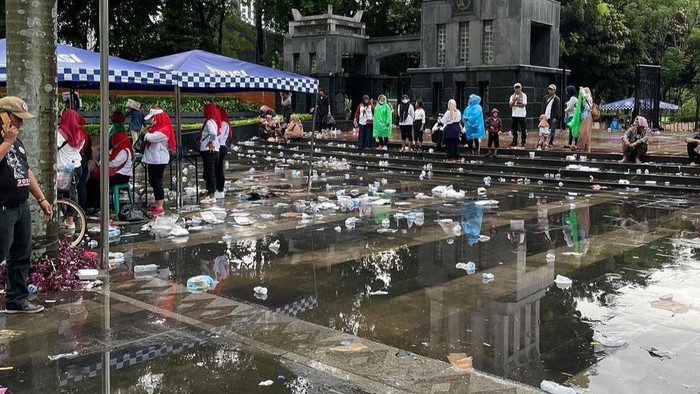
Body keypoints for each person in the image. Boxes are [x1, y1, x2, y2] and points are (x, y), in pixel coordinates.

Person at [0, 96, 52, 314]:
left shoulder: (16, 140)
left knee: (21, 254)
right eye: (16, 118)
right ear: (3, 115)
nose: (20, 123)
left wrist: (41, 198)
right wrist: (7, 142)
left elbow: (25, 170)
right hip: (3, 207)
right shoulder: (7, 138)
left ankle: (17, 299)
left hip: (21, 206)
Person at [86, 129, 133, 211]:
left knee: (102, 182)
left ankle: (99, 206)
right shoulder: (115, 149)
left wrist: (104, 163)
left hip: (121, 176)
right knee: (91, 181)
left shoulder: (124, 151)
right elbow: (105, 157)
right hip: (113, 173)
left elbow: (114, 163)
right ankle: (90, 205)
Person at [141, 106, 176, 217]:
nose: (151, 120)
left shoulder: (164, 130)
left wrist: (145, 134)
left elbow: (151, 138)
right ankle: (157, 204)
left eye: (153, 118)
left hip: (159, 160)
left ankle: (160, 207)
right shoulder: (156, 128)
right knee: (153, 180)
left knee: (157, 182)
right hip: (153, 159)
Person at [57, 109, 87, 229]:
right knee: (72, 193)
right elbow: (79, 149)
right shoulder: (80, 134)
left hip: (63, 170)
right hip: (77, 167)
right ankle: (70, 219)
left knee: (60, 193)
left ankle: (68, 220)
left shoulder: (60, 133)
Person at [200, 103, 220, 204]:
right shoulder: (213, 121)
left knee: (210, 172)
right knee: (209, 172)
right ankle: (210, 192)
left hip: (209, 150)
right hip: (212, 151)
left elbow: (213, 133)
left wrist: (211, 142)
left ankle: (212, 194)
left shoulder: (209, 122)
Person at [215, 106, 231, 199]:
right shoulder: (222, 123)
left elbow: (220, 137)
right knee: (218, 168)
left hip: (221, 146)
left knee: (219, 169)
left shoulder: (224, 123)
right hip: (220, 146)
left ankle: (220, 189)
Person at [575, 87, 594, 152]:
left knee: (583, 131)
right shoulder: (590, 98)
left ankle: (580, 146)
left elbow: (585, 96)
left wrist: (582, 90)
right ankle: (586, 146)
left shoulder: (587, 96)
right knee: (588, 132)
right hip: (589, 115)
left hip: (586, 115)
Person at [509, 83, 528, 147]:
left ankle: (523, 141)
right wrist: (514, 100)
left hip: (522, 115)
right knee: (514, 129)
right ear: (514, 89)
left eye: (518, 88)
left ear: (521, 88)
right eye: (516, 88)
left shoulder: (524, 95)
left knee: (523, 129)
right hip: (514, 114)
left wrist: (516, 105)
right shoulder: (512, 96)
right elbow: (510, 105)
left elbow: (524, 104)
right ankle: (514, 142)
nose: (517, 89)